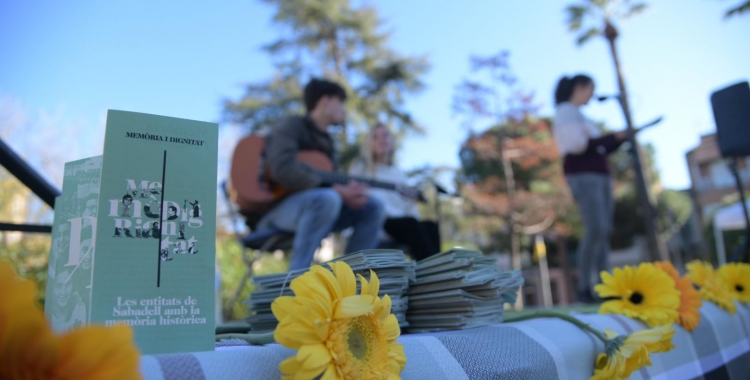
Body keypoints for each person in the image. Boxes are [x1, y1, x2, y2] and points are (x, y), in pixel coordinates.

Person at [253, 78, 386, 271]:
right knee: (328, 198)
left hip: (318, 208)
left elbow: (330, 183)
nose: (344, 109)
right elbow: (282, 169)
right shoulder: (291, 126)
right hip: (275, 210)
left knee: (373, 206)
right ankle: (296, 284)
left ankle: (353, 277)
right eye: (340, 102)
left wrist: (346, 192)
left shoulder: (328, 143)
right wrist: (336, 191)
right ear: (325, 101)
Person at [552, 74, 634, 304]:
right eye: (591, 89)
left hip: (599, 175)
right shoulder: (566, 111)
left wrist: (616, 140)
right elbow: (579, 146)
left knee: (603, 230)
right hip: (584, 175)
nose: (592, 95)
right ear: (581, 87)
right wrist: (611, 137)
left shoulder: (579, 114)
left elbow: (597, 147)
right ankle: (586, 287)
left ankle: (604, 286)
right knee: (596, 228)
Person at [349, 124, 440, 261]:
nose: (381, 140)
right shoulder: (361, 170)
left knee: (430, 226)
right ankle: (431, 271)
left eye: (385, 135)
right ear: (370, 143)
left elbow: (408, 205)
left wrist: (417, 220)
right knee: (410, 224)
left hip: (402, 223)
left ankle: (437, 269)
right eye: (376, 137)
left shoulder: (398, 174)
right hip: (379, 221)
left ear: (391, 141)